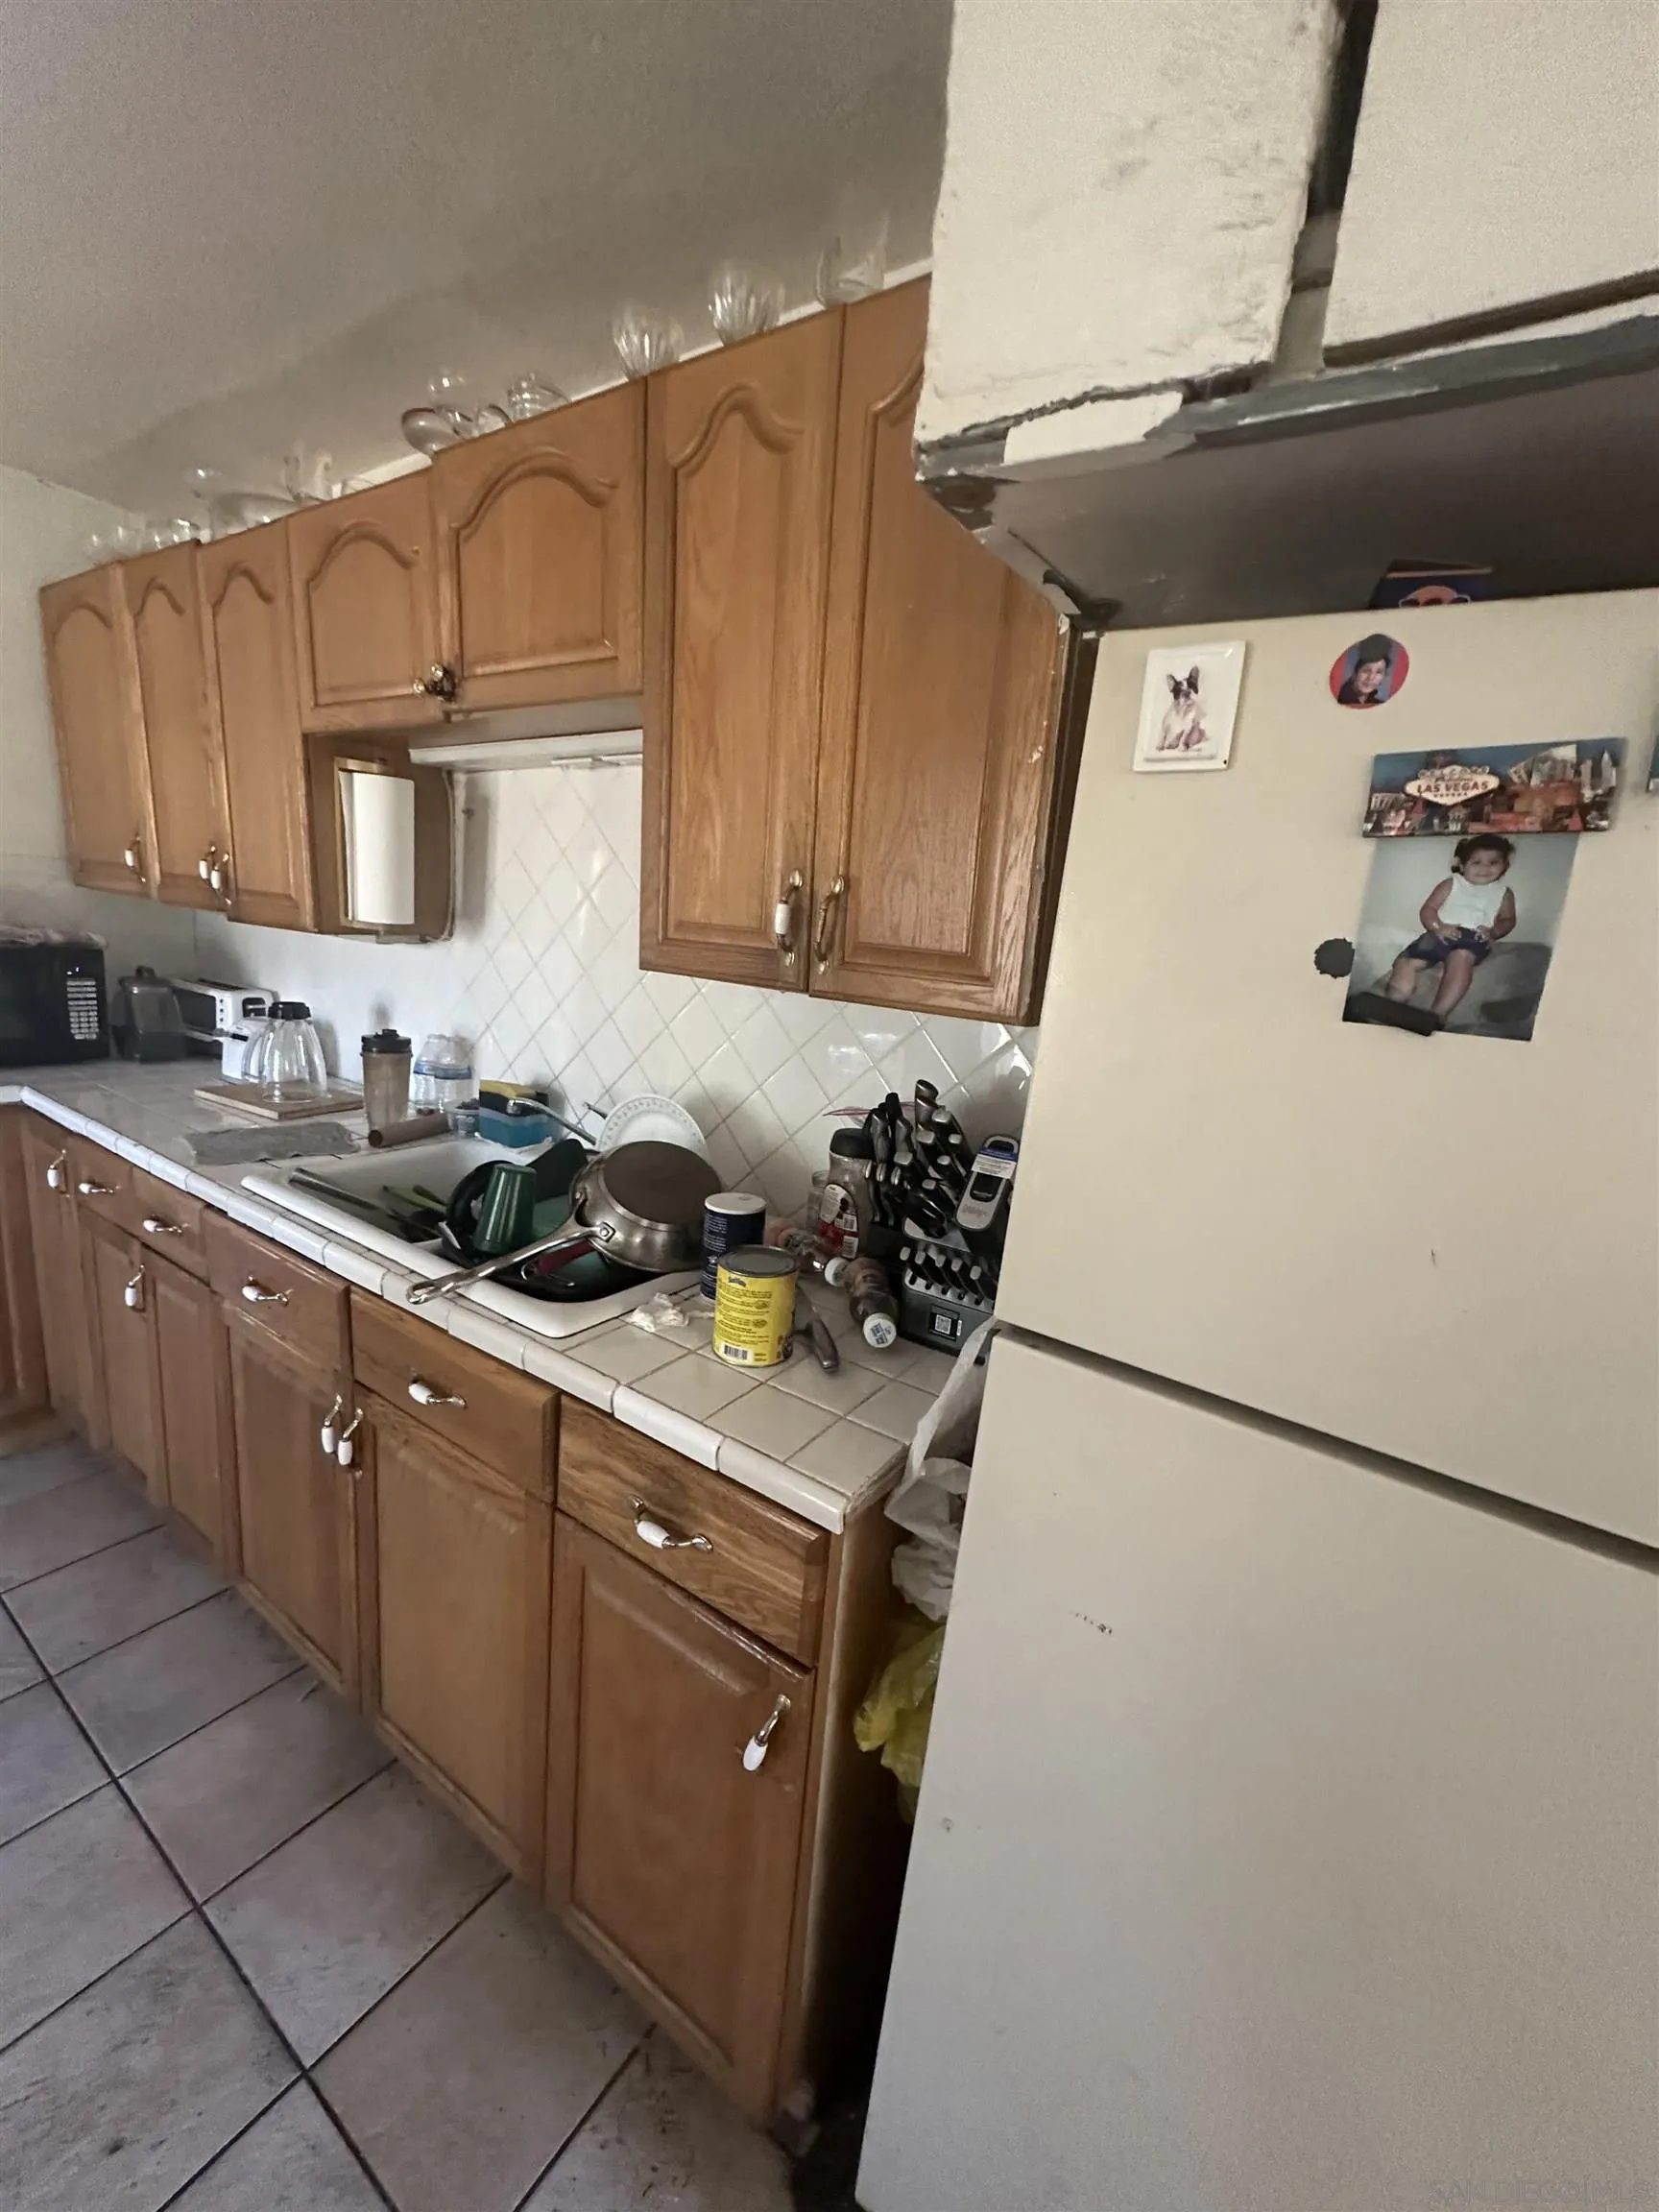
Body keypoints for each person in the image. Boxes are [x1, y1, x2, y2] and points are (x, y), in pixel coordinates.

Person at [1382, 833, 1517, 1024]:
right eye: (1476, 862)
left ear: (1505, 866)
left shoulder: (1504, 893)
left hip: (1473, 937)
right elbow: (1428, 909)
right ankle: (1392, 1004)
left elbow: (1508, 919)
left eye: (1493, 862)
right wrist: (1438, 927)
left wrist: (1494, 932)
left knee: (1461, 958)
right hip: (1439, 932)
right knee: (1407, 962)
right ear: (1462, 865)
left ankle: (1437, 1014)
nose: (1485, 868)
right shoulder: (1451, 883)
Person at [1337, 635, 1397, 706]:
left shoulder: (1379, 705)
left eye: (1378, 672)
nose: (1371, 677)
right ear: (1355, 673)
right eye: (1366, 671)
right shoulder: (1340, 701)